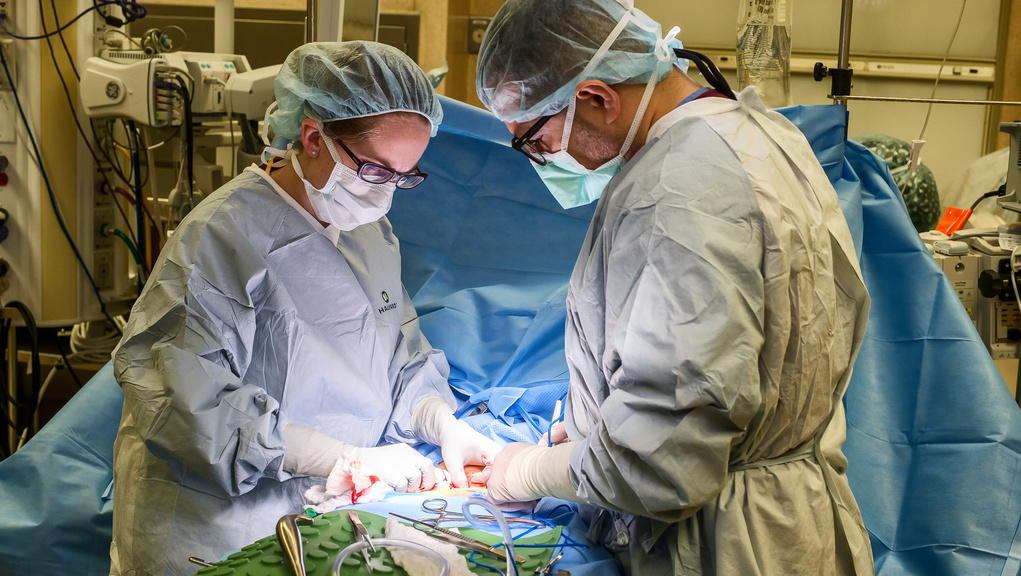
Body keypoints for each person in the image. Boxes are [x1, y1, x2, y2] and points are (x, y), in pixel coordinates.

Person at [474, 1, 875, 575]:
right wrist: (594, 424)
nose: (542, 160)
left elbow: (661, 463)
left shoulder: (675, 187)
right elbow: (749, 361)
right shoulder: (762, 134)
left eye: (535, 141)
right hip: (793, 523)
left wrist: (530, 470)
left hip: (726, 548)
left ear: (597, 98)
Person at [109, 41, 498, 576]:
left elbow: (398, 352)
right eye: (378, 171)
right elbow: (183, 402)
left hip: (330, 519)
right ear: (314, 136)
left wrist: (438, 419)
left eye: (406, 176)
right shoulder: (220, 237)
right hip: (216, 531)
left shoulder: (369, 233)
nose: (387, 196)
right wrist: (338, 457)